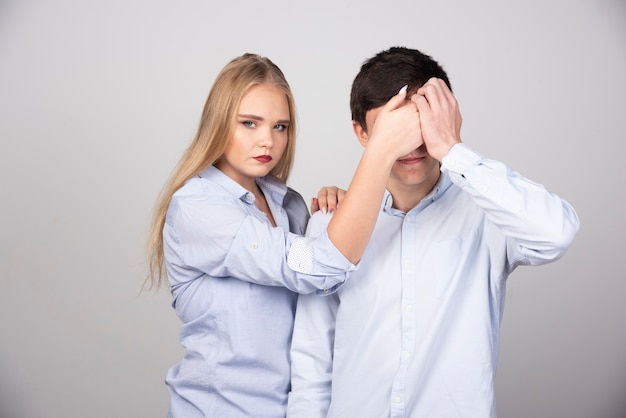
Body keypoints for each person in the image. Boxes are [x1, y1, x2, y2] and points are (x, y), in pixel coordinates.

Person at [287, 46, 580, 418]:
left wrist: (453, 149)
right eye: (394, 132)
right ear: (362, 133)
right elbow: (311, 362)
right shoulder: (328, 224)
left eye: (421, 126)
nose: (412, 145)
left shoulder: (487, 212)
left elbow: (557, 234)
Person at [145, 53, 423, 417]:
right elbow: (320, 266)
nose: (268, 141)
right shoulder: (198, 208)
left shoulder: (287, 204)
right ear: (218, 122)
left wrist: (338, 208)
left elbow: (319, 310)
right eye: (249, 123)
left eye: (280, 127)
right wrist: (381, 151)